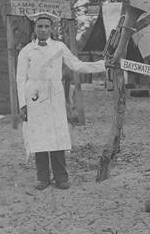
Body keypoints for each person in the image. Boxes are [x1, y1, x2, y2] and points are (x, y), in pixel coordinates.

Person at [17, 12, 107, 190]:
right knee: (39, 136)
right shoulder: (26, 51)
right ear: (35, 28)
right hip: (34, 95)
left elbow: (77, 64)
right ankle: (42, 178)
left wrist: (104, 64)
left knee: (57, 135)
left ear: (52, 28)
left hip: (55, 95)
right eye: (39, 26)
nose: (43, 30)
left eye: (46, 26)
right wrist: (23, 104)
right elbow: (20, 78)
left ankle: (61, 178)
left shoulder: (59, 47)